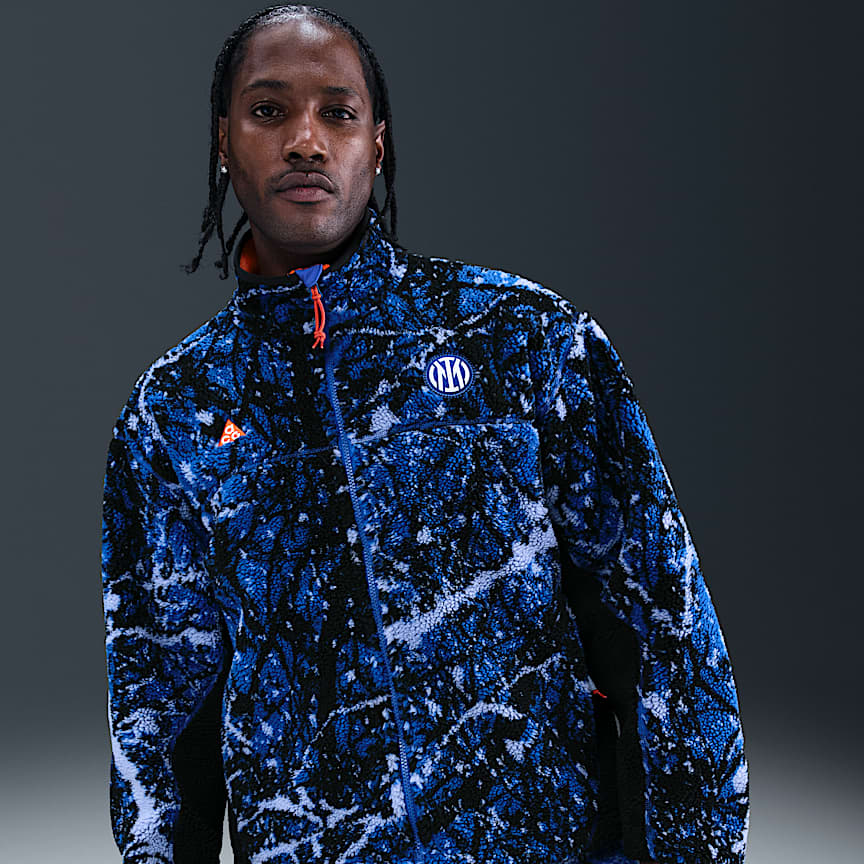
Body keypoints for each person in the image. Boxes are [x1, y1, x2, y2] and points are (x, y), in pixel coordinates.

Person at [100, 5, 749, 864]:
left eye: (338, 113)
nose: (305, 141)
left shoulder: (524, 340)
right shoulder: (173, 413)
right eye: (268, 111)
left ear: (377, 145)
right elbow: (160, 717)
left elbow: (660, 619)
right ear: (224, 141)